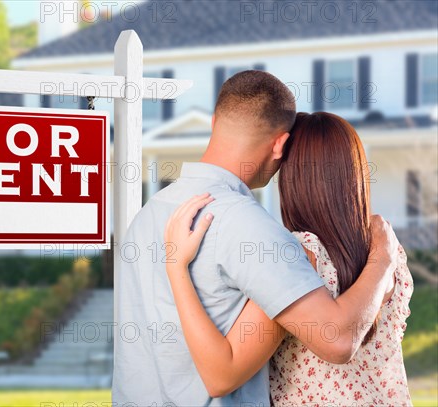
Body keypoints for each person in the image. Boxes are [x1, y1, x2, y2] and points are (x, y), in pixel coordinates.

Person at [112, 70, 400, 406]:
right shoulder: (248, 225)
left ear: (215, 121)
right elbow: (335, 339)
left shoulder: (151, 213)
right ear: (280, 144)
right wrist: (384, 258)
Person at [164, 112, 412, 405]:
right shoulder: (387, 250)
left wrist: (176, 266)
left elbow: (222, 375)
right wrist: (382, 255)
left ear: (293, 178)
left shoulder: (300, 255)